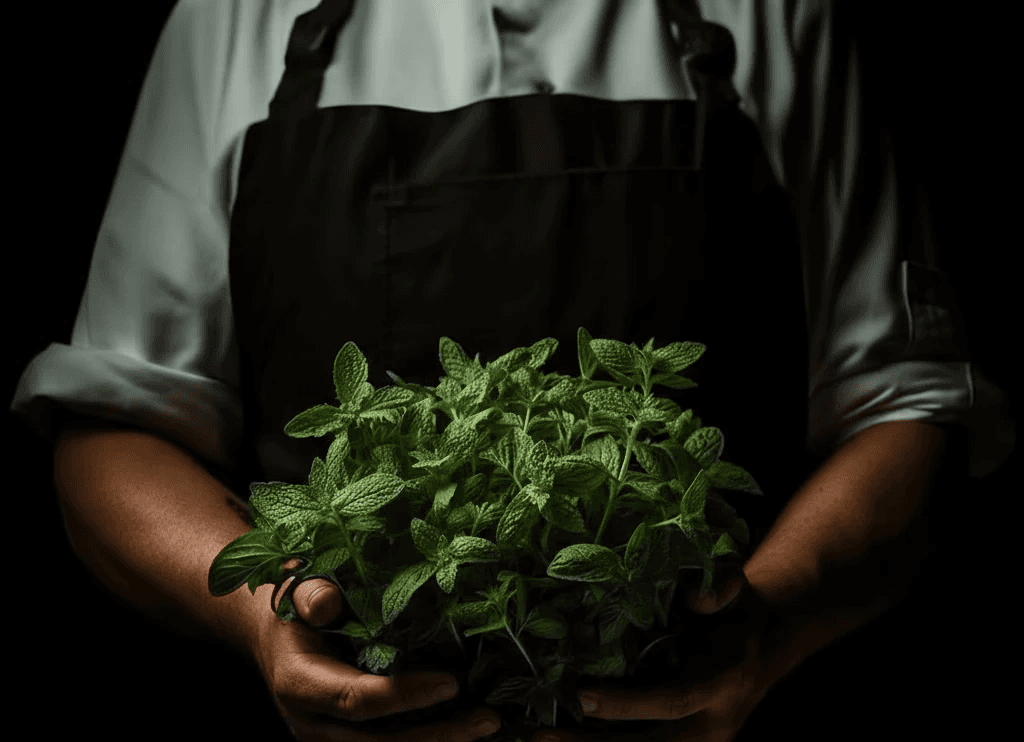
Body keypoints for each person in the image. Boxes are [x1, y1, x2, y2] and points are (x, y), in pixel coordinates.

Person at [12, 1, 1014, 740]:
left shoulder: (774, 15)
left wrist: (770, 618)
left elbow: (904, 403)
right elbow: (113, 427)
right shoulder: (233, 19)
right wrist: (269, 613)